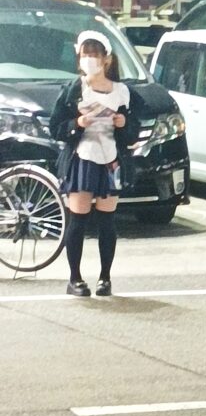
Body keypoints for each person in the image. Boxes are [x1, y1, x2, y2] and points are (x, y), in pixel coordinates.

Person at [50, 32, 140, 297]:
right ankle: (75, 279)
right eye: (85, 55)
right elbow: (56, 127)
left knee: (107, 221)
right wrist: (77, 123)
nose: (89, 60)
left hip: (111, 159)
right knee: (77, 219)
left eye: (94, 55)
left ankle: (105, 278)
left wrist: (124, 124)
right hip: (82, 158)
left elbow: (134, 132)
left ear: (106, 59)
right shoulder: (73, 89)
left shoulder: (122, 92)